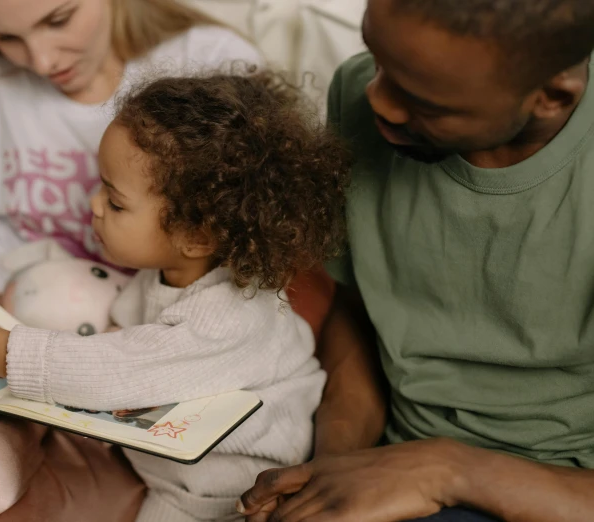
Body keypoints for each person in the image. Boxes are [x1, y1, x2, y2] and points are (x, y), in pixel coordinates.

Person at [0, 71, 351, 521]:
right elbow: (120, 333)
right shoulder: (169, 273)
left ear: (197, 235)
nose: (92, 205)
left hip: (224, 491)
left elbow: (105, 369)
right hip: (158, 458)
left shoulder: (228, 317)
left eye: (115, 201)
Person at [238, 0, 594, 521]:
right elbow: (360, 311)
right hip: (395, 461)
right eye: (376, 57)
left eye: (426, 102)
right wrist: (337, 466)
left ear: (551, 97)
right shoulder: (363, 98)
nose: (377, 100)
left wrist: (445, 469)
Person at [0, 0, 263, 296]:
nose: (42, 61)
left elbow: (259, 229)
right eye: (5, 37)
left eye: (59, 20)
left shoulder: (210, 61)